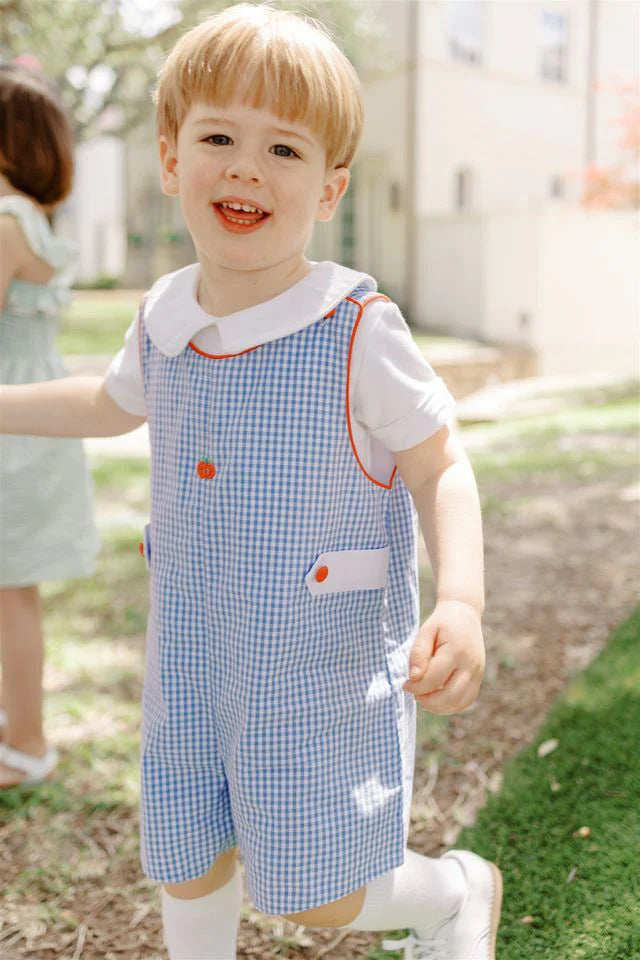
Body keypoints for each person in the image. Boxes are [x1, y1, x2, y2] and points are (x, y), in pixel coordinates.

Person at [0, 5, 502, 958]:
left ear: (328, 188)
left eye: (283, 148)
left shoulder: (355, 327)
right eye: (218, 137)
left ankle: (449, 891)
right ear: (170, 159)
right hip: (190, 646)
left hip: (316, 661)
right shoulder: (164, 313)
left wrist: (465, 603)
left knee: (317, 894)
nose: (244, 166)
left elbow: (441, 460)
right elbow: (107, 403)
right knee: (187, 854)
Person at [0, 64, 98, 789]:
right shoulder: (32, 221)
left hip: (13, 427)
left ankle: (29, 740)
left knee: (11, 590)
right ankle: (21, 726)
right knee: (13, 590)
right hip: (31, 424)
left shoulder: (5, 223)